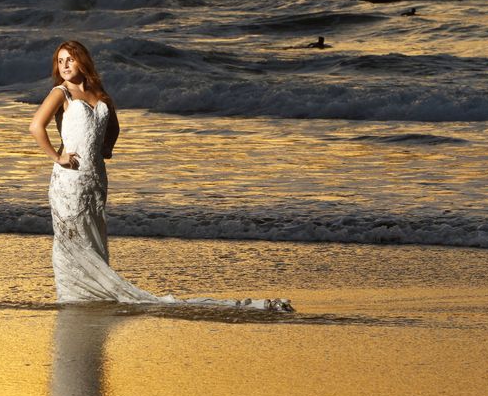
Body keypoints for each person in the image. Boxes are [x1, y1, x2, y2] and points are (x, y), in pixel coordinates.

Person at [30, 40, 293, 312]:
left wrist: (105, 148)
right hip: (69, 181)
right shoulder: (61, 93)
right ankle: (78, 296)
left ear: (82, 61)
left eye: (70, 60)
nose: (64, 66)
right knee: (75, 239)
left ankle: (92, 294)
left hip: (95, 179)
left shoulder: (98, 92)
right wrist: (57, 157)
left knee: (93, 237)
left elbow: (112, 124)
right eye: (60, 61)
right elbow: (36, 126)